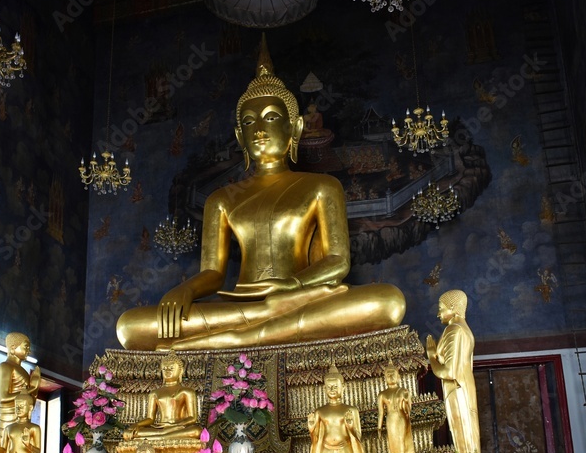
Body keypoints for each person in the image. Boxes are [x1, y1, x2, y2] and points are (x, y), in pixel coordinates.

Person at [115, 40, 405, 351]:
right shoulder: (222, 199)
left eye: (270, 117)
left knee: (386, 301)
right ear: (240, 136)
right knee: (131, 326)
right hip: (240, 305)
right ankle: (249, 330)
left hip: (297, 300)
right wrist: (184, 290)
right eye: (249, 122)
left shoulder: (321, 185)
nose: (259, 130)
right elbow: (213, 273)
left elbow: (337, 262)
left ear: (294, 128)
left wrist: (291, 285)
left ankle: (234, 338)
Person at [426, 290, 480, 453]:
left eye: (441, 308)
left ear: (453, 308)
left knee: (463, 435)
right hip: (463, 388)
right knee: (466, 435)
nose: (438, 313)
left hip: (457, 389)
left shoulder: (454, 330)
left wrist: (432, 357)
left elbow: (448, 372)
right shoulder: (465, 330)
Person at [307, 364, 366, 453]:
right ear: (324, 388)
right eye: (329, 387)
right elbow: (315, 439)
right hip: (325, 451)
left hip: (345, 449)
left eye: (335, 386)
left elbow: (358, 437)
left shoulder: (351, 410)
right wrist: (312, 429)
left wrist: (350, 427)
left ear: (343, 387)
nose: (332, 389)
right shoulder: (320, 411)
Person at [123, 352, 203, 442]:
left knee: (197, 431)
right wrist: (136, 425)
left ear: (181, 371)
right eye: (165, 369)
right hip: (159, 428)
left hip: (178, 427)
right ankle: (161, 436)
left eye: (171, 368)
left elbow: (192, 418)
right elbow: (150, 419)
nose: (167, 371)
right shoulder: (155, 393)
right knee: (128, 433)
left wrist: (175, 426)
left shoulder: (187, 391)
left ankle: (155, 439)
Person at [377, 364, 415, 453]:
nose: (390, 376)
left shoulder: (403, 391)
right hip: (390, 419)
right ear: (384, 378)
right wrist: (379, 428)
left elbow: (409, 409)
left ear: (398, 376)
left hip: (400, 418)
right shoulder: (382, 394)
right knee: (392, 440)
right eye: (388, 375)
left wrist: (407, 400)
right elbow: (381, 413)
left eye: (393, 374)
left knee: (400, 439)